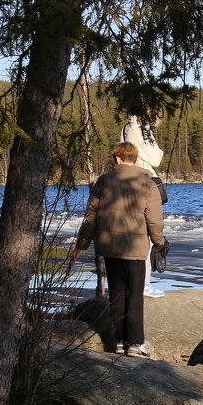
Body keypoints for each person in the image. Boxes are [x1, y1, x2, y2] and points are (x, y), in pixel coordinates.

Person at [69, 141, 164, 357]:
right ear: (137, 160)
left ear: (117, 159)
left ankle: (120, 341)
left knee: (117, 294)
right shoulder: (147, 182)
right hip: (136, 248)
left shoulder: (104, 181)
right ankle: (136, 343)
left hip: (110, 247)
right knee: (135, 295)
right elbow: (154, 219)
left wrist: (81, 245)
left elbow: (90, 217)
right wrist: (158, 241)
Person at [121, 115, 167, 298]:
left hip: (136, 184)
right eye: (158, 115)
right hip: (140, 183)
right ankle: (142, 285)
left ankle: (140, 284)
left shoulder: (134, 128)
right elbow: (156, 158)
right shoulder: (135, 128)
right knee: (143, 239)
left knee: (140, 239)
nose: (159, 120)